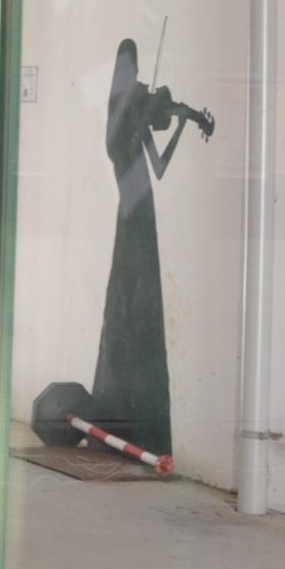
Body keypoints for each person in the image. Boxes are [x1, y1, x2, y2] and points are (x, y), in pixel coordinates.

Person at [91, 38, 192, 457]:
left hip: (143, 210)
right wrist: (145, 112)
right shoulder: (119, 116)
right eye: (130, 67)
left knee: (141, 302)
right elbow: (120, 149)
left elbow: (160, 167)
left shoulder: (134, 110)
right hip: (131, 212)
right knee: (129, 301)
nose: (136, 74)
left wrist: (182, 123)